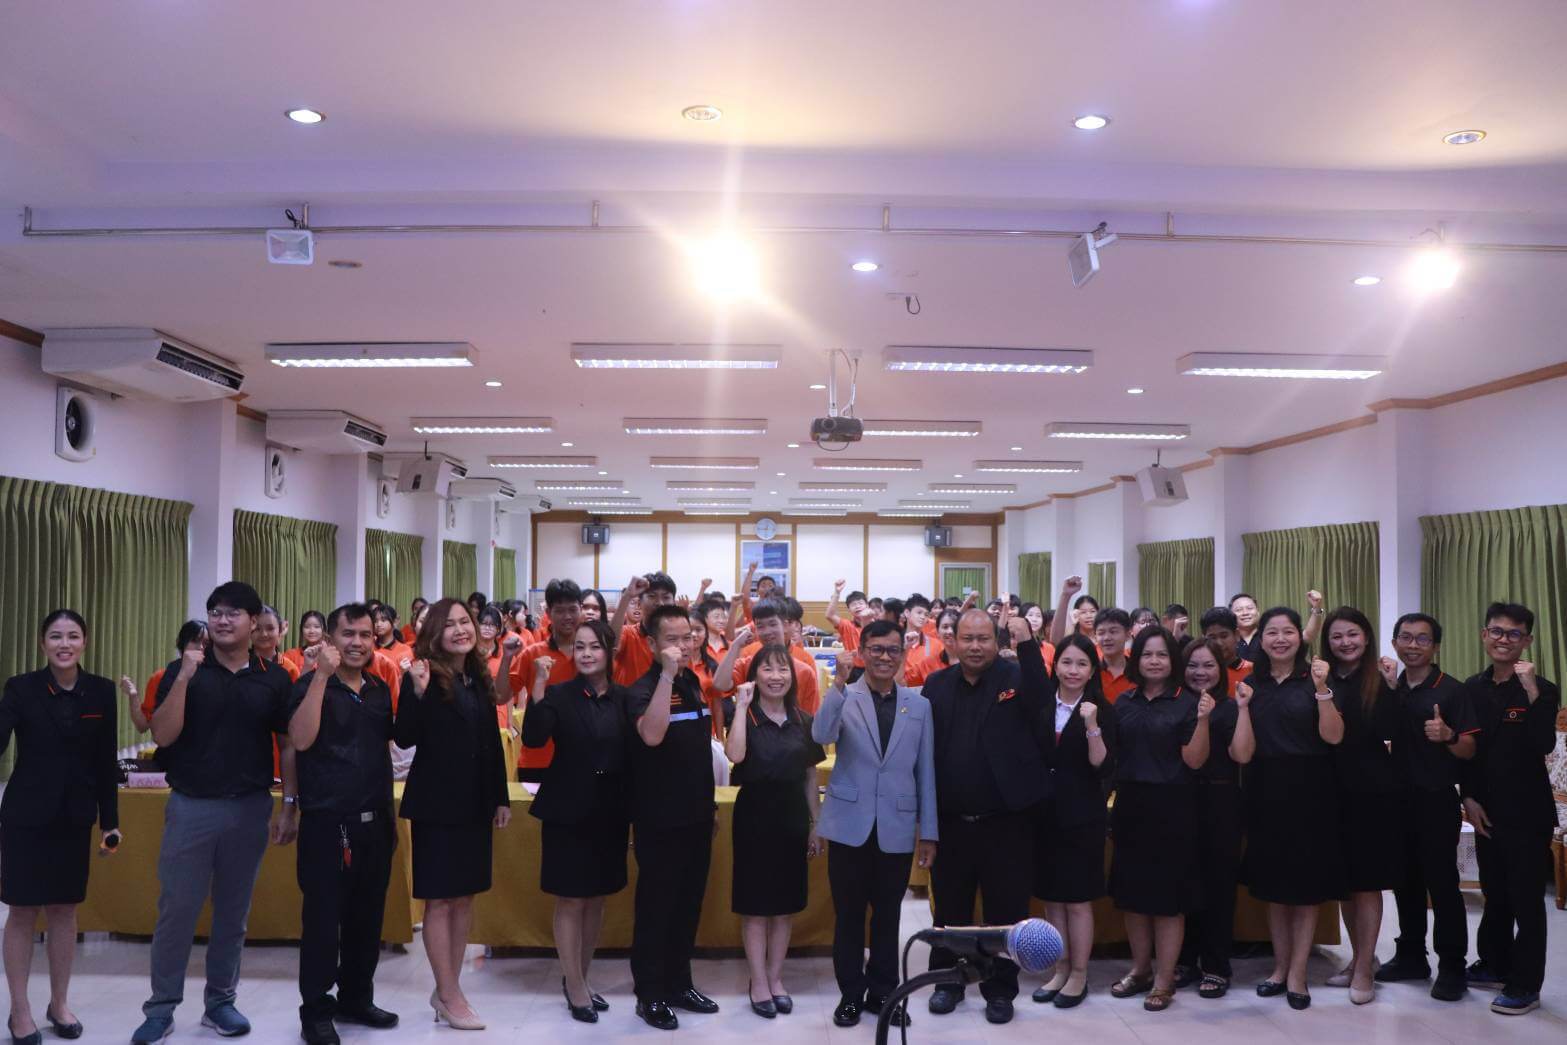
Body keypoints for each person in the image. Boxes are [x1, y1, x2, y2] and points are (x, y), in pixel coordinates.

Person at [133, 581, 299, 1045]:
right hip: (192, 806)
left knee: (232, 912)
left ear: (253, 622)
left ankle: (221, 1002)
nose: (222, 620)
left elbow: (288, 744)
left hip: (249, 807)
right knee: (177, 910)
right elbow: (163, 735)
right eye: (215, 612)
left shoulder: (273, 677)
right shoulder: (183, 669)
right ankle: (161, 1008)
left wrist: (290, 804)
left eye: (232, 613)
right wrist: (185, 677)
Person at [922, 609, 1050, 1025]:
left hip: (1007, 823)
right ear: (953, 641)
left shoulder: (1017, 679)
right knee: (949, 911)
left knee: (1006, 911)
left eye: (983, 639)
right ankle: (948, 983)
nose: (975, 647)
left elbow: (1043, 703)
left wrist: (1027, 643)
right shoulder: (936, 685)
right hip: (952, 822)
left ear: (997, 642)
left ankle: (999, 990)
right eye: (967, 639)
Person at [0, 610, 120, 1044]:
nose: (64, 644)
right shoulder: (21, 688)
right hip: (25, 817)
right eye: (55, 636)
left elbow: (106, 761)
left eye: (72, 636)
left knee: (65, 911)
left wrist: (111, 822)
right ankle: (19, 1010)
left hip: (74, 817)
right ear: (42, 643)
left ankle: (59, 1003)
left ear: (84, 642)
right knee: (21, 911)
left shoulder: (101, 691)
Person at [394, 598, 511, 1032]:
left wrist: (499, 797)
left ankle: (449, 987)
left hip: (475, 803)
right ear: (435, 633)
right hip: (437, 804)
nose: (461, 630)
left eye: (466, 622)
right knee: (440, 900)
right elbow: (404, 736)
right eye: (451, 624)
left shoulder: (475, 675)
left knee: (464, 898)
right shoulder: (423, 672)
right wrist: (418, 693)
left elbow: (490, 741)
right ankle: (448, 992)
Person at [813, 620, 937, 1029]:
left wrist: (928, 832)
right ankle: (850, 994)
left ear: (903, 654)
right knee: (849, 916)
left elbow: (926, 772)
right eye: (877, 649)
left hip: (896, 827)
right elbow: (820, 734)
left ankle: (884, 995)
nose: (885, 657)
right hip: (849, 825)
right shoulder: (845, 695)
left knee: (887, 918)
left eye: (892, 650)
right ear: (862, 652)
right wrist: (837, 683)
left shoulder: (919, 705)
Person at [286, 603, 400, 1045]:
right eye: (348, 634)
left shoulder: (377, 688)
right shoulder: (309, 684)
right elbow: (299, 740)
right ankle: (315, 1011)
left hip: (375, 822)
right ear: (330, 639)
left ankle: (356, 998)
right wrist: (320, 676)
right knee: (322, 923)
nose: (357, 643)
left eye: (365, 635)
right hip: (327, 824)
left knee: (366, 920)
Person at [1234, 607, 1343, 1010]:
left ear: (1301, 636)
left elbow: (1334, 736)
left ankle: (1298, 972)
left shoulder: (1315, 677)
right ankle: (1280, 968)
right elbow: (1243, 752)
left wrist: (1323, 689)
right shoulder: (1251, 684)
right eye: (1272, 633)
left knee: (1305, 891)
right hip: (1264, 792)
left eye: (1288, 632)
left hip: (1311, 792)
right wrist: (1242, 707)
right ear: (1260, 640)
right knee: (1274, 889)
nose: (1280, 639)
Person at [523, 619, 631, 1024]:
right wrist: (537, 685)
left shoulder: (624, 698)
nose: (586, 654)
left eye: (594, 646)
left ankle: (579, 978)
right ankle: (574, 985)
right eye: (580, 647)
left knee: (597, 897)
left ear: (609, 652)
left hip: (610, 810)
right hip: (567, 809)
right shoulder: (559, 694)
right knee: (570, 898)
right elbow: (534, 738)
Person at [622, 604, 720, 1030]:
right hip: (659, 818)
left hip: (697, 815)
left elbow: (698, 753)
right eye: (673, 639)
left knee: (688, 904)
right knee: (657, 907)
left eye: (689, 637)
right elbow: (652, 735)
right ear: (651, 644)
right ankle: (650, 993)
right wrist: (665, 675)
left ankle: (680, 983)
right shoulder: (642, 688)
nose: (684, 646)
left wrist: (709, 808)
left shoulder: (693, 682)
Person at [1461, 602, 1561, 1016]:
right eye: (1497, 631)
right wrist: (1468, 799)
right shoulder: (1472, 687)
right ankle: (1495, 964)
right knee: (1495, 893)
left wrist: (1532, 690)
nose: (1504, 639)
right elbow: (1469, 751)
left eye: (1514, 633)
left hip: (1528, 813)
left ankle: (1525, 985)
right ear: (1484, 635)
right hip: (1485, 808)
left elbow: (1543, 744)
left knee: (1526, 901)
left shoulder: (1543, 689)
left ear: (1527, 641)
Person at [1376, 612, 1479, 1001]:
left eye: (1422, 639)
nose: (1413, 646)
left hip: (1436, 798)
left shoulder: (1451, 690)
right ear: (1394, 643)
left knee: (1442, 884)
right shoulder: (1393, 686)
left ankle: (1452, 966)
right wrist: (1389, 690)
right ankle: (1411, 956)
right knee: (1405, 881)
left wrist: (1448, 734)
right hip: (1396, 799)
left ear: (1435, 646)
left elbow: (1469, 750)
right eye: (1405, 638)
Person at [1105, 627, 1205, 1013]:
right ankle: (1140, 970)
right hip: (1131, 806)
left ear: (1173, 661)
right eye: (1147, 654)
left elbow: (1195, 760)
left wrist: (1204, 720)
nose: (1154, 661)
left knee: (1167, 901)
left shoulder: (1187, 702)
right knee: (1133, 898)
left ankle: (1164, 979)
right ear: (1137, 659)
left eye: (1162, 654)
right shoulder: (1123, 701)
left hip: (1173, 807)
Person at [725, 647, 827, 1018]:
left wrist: (815, 825)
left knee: (784, 908)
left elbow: (811, 776)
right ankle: (758, 981)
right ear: (754, 676)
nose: (775, 676)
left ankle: (775, 977)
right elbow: (735, 755)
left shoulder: (804, 719)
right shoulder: (746, 715)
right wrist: (740, 706)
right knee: (755, 908)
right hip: (754, 817)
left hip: (792, 818)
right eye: (767, 669)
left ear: (792, 676)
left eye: (782, 669)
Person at [1320, 606, 1400, 1004]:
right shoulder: (1323, 678)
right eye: (1337, 636)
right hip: (1329, 790)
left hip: (1371, 791)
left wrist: (1394, 688)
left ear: (1366, 637)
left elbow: (1390, 730)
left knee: (1366, 883)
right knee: (1345, 884)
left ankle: (1366, 966)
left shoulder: (1380, 678)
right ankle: (1357, 958)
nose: (1345, 642)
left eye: (1352, 634)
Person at [1030, 634, 1114, 1009]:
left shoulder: (1101, 709)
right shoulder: (1041, 706)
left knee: (1078, 900)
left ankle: (1079, 973)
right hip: (1044, 815)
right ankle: (1059, 968)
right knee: (1052, 900)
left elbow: (1102, 765)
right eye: (1067, 662)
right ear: (1056, 666)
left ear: (1092, 670)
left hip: (1083, 816)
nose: (1073, 670)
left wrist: (1092, 724)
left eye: (1082, 663)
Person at [1174, 637, 1244, 998]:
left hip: (1220, 801)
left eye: (1208, 665)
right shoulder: (1175, 704)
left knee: (1219, 887)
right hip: (1179, 800)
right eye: (1192, 665)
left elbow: (1241, 754)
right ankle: (1184, 959)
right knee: (1183, 882)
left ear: (1221, 669)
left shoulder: (1230, 707)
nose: (1200, 672)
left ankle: (1216, 964)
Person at [509, 579, 583, 781]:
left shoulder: (591, 655)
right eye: (559, 611)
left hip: (582, 759)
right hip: (538, 760)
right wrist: (507, 658)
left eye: (572, 609)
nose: (567, 617)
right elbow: (502, 694)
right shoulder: (532, 653)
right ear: (548, 613)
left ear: (581, 609)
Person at [711, 600, 821, 715]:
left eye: (773, 624)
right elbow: (719, 685)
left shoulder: (805, 671)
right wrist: (735, 646)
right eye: (760, 626)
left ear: (785, 625)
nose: (767, 631)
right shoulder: (747, 664)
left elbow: (811, 715)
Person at [120, 620, 206, 735]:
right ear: (182, 643)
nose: (201, 647)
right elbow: (142, 725)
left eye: (206, 643)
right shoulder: (161, 677)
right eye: (195, 640)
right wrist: (133, 695)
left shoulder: (215, 676)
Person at [610, 573, 678, 686]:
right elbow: (610, 643)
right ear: (639, 603)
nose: (660, 603)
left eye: (666, 597)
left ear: (674, 603)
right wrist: (626, 597)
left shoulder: (678, 639)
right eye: (652, 596)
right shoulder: (628, 633)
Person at [1200, 607, 1252, 694]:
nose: (1219, 643)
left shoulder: (1252, 671)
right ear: (1204, 639)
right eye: (1212, 637)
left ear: (1237, 635)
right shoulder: (1199, 673)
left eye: (1224, 636)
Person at [823, 581, 874, 653]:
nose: (857, 606)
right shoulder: (847, 626)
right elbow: (829, 615)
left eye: (860, 603)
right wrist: (837, 592)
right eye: (853, 604)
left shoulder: (876, 625)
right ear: (849, 610)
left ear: (867, 606)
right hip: (853, 660)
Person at [1049, 577, 1099, 645]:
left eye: (1092, 611)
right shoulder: (1073, 640)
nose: (1089, 616)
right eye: (1083, 612)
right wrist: (1066, 595)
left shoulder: (1103, 640)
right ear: (1076, 614)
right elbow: (1056, 641)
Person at [282, 611, 327, 675]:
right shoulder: (291, 655)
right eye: (307, 627)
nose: (312, 631)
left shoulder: (330, 655)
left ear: (324, 630)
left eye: (316, 627)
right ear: (301, 630)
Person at [1228, 593, 1261, 664]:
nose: (1245, 613)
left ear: (1258, 612)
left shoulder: (1267, 636)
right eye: (1239, 610)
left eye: (1250, 608)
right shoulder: (1227, 641)